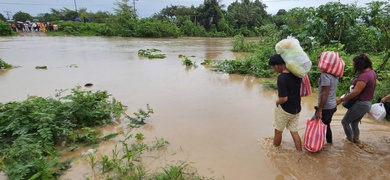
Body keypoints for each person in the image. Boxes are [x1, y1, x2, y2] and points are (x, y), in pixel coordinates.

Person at [336, 54, 377, 144]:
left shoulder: (364, 76)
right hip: (367, 103)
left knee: (345, 122)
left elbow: (355, 92)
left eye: (355, 65)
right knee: (354, 123)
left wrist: (341, 100)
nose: (354, 67)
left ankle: (349, 143)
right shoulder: (372, 73)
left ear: (360, 65)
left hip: (361, 104)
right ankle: (356, 140)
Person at [269, 54, 302, 151]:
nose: (274, 70)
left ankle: (275, 151)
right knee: (294, 131)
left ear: (276, 66)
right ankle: (299, 152)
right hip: (296, 108)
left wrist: (277, 102)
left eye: (273, 68)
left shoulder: (282, 78)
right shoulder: (296, 73)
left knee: (278, 131)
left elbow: (284, 98)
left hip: (285, 109)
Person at [315, 53, 340, 144]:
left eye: (319, 62)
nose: (318, 65)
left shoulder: (325, 75)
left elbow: (325, 93)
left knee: (318, 126)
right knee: (326, 125)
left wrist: (320, 110)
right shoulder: (335, 75)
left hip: (326, 107)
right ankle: (329, 144)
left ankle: (317, 146)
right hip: (332, 105)